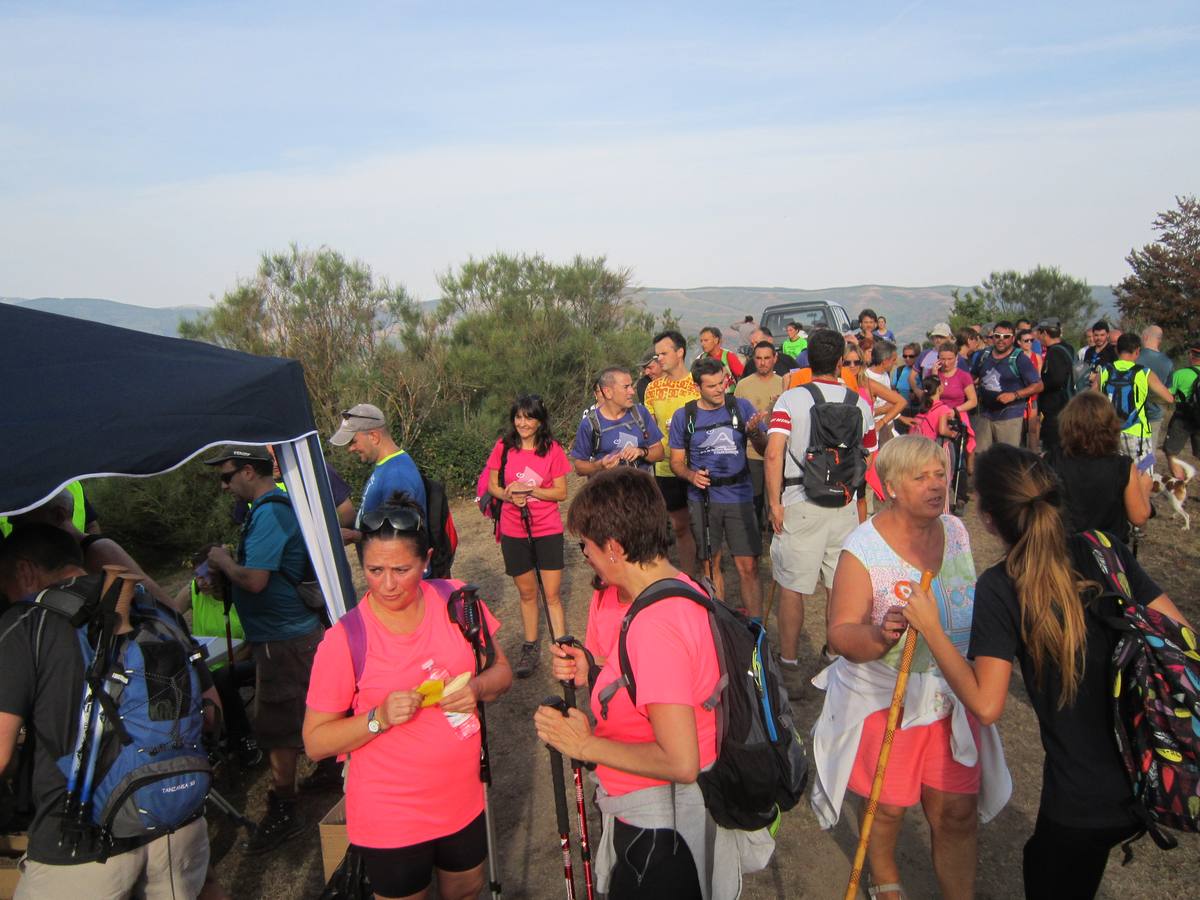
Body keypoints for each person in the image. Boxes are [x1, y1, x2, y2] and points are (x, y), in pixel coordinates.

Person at [900, 443, 1190, 900]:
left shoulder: (1001, 586)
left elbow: (987, 704)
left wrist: (932, 629)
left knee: (1050, 869)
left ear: (989, 519)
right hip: (1145, 774)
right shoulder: (1104, 549)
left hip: (1079, 800)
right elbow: (1179, 636)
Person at [810, 436, 1007, 900]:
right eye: (921, 478)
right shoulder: (864, 549)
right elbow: (840, 632)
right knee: (888, 807)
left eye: (940, 474)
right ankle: (885, 879)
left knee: (956, 812)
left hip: (952, 693)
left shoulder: (956, 531)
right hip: (888, 699)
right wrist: (881, 635)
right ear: (892, 486)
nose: (936, 486)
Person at [304, 495, 513, 900]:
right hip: (390, 813)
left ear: (426, 560)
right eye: (374, 570)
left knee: (467, 890)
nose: (387, 584)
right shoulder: (345, 640)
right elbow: (315, 741)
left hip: (463, 795)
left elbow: (501, 672)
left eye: (401, 569)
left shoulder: (457, 601)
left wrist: (476, 688)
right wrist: (377, 718)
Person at [533, 467, 722, 900]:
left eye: (586, 547)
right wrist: (594, 673)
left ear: (614, 548)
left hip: (658, 825)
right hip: (674, 816)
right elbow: (662, 687)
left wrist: (583, 745)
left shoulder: (654, 625)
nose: (586, 558)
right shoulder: (685, 588)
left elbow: (680, 761)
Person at [0, 525, 217, 898]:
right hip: (176, 819)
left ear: (24, 571)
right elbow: (212, 712)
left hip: (79, 842)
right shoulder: (155, 608)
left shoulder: (25, 624)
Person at [203, 446, 324, 852]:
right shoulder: (265, 509)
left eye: (227, 475)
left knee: (274, 726)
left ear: (250, 471)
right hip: (285, 635)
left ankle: (285, 808)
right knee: (309, 706)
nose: (224, 485)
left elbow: (254, 580)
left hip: (282, 639)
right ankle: (328, 770)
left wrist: (221, 560)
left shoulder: (270, 512)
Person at [765, 329, 876, 689]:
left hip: (800, 501)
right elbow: (869, 453)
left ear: (807, 360)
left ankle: (791, 664)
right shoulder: (859, 402)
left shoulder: (791, 400)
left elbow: (773, 452)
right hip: (843, 504)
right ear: (842, 361)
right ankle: (833, 657)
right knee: (838, 586)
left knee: (792, 587)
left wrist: (774, 503)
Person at [670, 357, 767, 615]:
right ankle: (721, 623)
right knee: (710, 565)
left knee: (749, 566)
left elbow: (764, 449)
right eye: (711, 385)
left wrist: (756, 432)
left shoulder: (741, 407)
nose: (719, 389)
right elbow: (676, 462)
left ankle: (756, 629)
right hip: (702, 499)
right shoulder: (684, 416)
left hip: (739, 495)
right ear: (697, 387)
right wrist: (691, 476)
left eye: (722, 382)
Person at [485, 394, 570, 677]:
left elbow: (561, 492)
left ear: (540, 421)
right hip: (513, 529)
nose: (523, 423)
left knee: (552, 594)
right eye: (519, 417)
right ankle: (531, 646)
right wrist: (508, 495)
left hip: (547, 529)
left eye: (529, 418)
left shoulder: (553, 450)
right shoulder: (503, 447)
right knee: (526, 592)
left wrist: (530, 490)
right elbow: (492, 486)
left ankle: (563, 646)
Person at [1048, 392, 1150, 547]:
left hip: (1062, 548)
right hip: (1107, 551)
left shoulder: (1051, 460)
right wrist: (1144, 488)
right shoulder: (1122, 466)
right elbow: (1139, 517)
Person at [643, 330, 702, 575]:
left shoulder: (698, 384)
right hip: (666, 467)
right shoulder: (652, 389)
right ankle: (688, 578)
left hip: (698, 465)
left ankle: (708, 576)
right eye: (657, 355)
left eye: (664, 353)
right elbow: (648, 428)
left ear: (680, 352)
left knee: (702, 525)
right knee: (678, 526)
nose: (659, 359)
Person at [331, 403, 427, 536]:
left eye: (353, 441)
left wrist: (355, 536)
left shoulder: (397, 476)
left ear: (374, 437)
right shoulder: (386, 466)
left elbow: (398, 537)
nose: (350, 449)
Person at [571, 366, 664, 477]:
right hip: (607, 491)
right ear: (608, 392)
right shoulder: (590, 424)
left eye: (631, 386)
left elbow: (660, 453)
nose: (632, 392)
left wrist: (641, 452)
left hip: (641, 490)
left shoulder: (640, 413)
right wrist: (600, 465)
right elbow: (579, 467)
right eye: (626, 387)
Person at [1097, 332, 1175, 464]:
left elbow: (1096, 396)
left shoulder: (1105, 370)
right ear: (1137, 351)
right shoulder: (1143, 372)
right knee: (1144, 476)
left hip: (1111, 432)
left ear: (1117, 349)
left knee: (1116, 476)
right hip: (1137, 432)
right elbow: (1169, 398)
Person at [735, 341, 786, 529]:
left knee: (777, 498)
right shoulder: (743, 385)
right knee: (754, 499)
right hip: (752, 453)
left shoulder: (784, 383)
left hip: (779, 451)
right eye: (758, 358)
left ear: (775, 358)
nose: (763, 362)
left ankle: (776, 537)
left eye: (767, 358)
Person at [974, 321, 1043, 451]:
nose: (1001, 340)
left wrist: (1014, 395)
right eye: (997, 336)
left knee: (1007, 459)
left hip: (1009, 416)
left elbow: (1038, 385)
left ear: (1012, 338)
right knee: (981, 456)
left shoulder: (1020, 359)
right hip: (984, 414)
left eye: (1006, 336)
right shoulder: (984, 355)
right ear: (992, 337)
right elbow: (971, 377)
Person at [1034, 318, 1075, 455]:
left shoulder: (1055, 352)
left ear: (1044, 333)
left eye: (1038, 333)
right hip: (1067, 405)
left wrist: (1040, 385)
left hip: (1057, 409)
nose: (1037, 337)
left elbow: (1057, 379)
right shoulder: (1067, 347)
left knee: (1053, 449)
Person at [1164, 336, 1200, 479]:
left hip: (1181, 417)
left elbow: (1168, 395)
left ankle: (1179, 483)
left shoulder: (1180, 374)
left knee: (1170, 451)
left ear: (1191, 355)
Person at [1137, 326, 1174, 451]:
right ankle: (1148, 470)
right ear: (1160, 340)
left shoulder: (1135, 357)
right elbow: (1168, 391)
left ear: (1145, 337)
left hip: (1134, 413)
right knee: (1149, 453)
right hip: (1155, 413)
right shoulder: (1168, 362)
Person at [1016, 329, 1043, 452]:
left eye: (1031, 340)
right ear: (1019, 342)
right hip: (1019, 395)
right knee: (1019, 430)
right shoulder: (1015, 356)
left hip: (1033, 396)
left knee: (1032, 428)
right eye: (1025, 340)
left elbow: (1039, 378)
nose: (1029, 343)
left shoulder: (1036, 357)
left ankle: (1034, 455)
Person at [696, 326, 745, 391]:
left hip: (728, 396)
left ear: (716, 340)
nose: (702, 344)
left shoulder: (728, 356)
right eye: (701, 341)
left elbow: (743, 376)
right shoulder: (701, 358)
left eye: (706, 340)